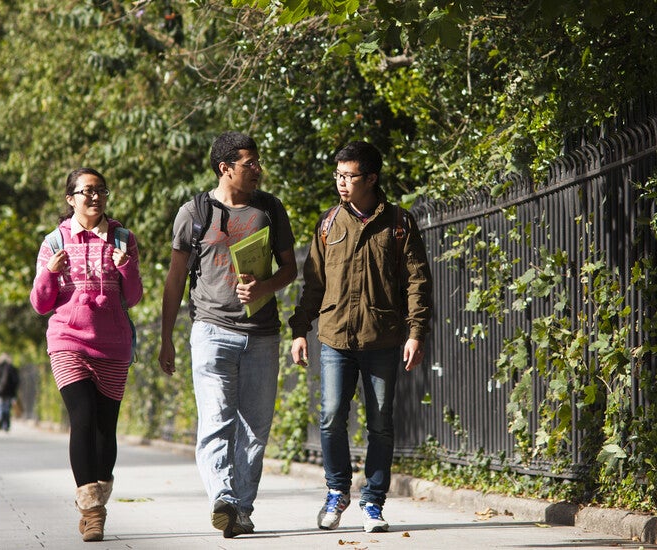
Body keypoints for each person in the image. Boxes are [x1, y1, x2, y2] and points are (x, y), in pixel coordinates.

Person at [288, 141, 433, 534]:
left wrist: (416, 332)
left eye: (349, 176)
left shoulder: (399, 223)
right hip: (334, 337)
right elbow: (313, 284)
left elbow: (418, 281)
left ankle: (373, 501)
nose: (342, 183)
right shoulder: (328, 223)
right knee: (332, 416)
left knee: (381, 424)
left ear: (370, 178)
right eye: (338, 176)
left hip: (382, 339)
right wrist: (299, 330)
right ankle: (337, 492)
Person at [158, 131, 297, 538]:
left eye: (257, 162)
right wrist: (166, 338)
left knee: (256, 426)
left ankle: (241, 508)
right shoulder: (194, 213)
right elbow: (175, 278)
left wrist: (264, 287)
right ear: (226, 168)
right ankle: (223, 498)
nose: (258, 170)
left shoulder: (270, 209)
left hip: (262, 334)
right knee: (217, 420)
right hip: (211, 331)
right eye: (249, 163)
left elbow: (289, 269)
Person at [30, 167, 144, 542]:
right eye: (86, 191)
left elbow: (133, 297)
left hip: (111, 344)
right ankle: (92, 509)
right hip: (68, 340)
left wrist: (126, 268)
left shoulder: (123, 239)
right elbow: (41, 304)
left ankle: (100, 491)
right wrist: (49, 272)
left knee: (104, 427)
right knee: (82, 418)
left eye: (100, 191)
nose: (94, 197)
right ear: (70, 198)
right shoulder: (53, 242)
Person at [0, 353, 20, 432]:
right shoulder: (11, 368)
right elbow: (16, 381)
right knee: (7, 408)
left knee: (0, 408)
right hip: (9, 392)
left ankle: (0, 420)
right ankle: (6, 424)